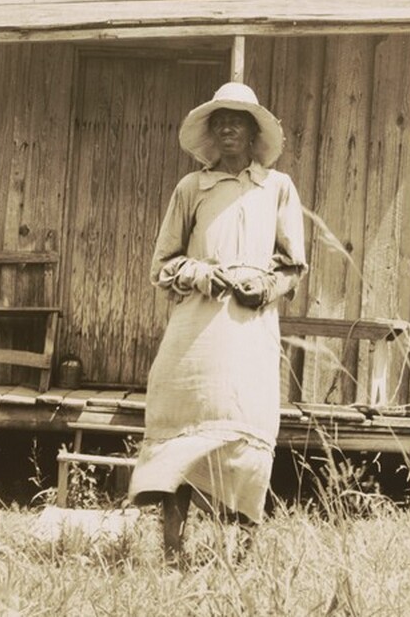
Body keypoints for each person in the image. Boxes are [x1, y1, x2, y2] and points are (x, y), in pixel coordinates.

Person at [128, 81, 307, 565]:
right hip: (196, 328)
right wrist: (202, 273)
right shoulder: (192, 187)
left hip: (249, 328)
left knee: (247, 428)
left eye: (238, 120)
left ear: (254, 132)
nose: (228, 127)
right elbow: (162, 264)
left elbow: (292, 266)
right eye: (220, 121)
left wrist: (266, 288)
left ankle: (241, 556)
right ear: (212, 132)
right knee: (183, 430)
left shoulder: (277, 188)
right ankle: (172, 551)